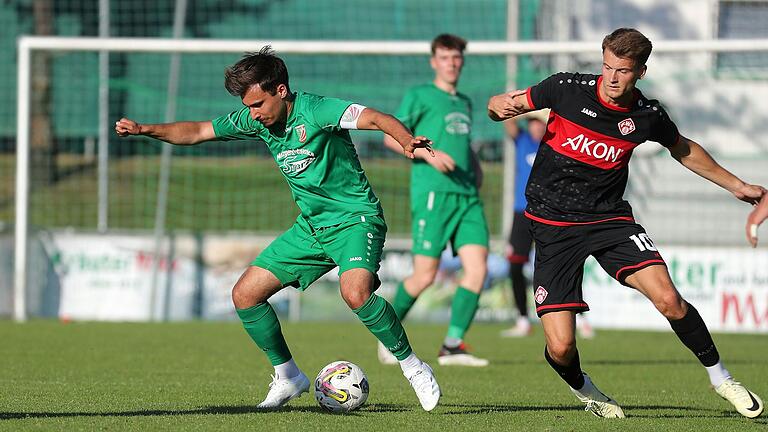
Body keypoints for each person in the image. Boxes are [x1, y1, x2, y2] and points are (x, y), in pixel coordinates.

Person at [115, 47, 441, 411]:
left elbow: (377, 118)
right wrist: (145, 129)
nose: (252, 113)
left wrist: (406, 140)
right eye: (248, 106)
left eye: (257, 104)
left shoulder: (318, 110)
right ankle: (288, 376)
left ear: (280, 91)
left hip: (355, 219)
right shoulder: (256, 121)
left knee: (355, 293)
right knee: (245, 295)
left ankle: (413, 367)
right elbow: (197, 131)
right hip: (311, 228)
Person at [487, 28, 765, 419]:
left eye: (622, 70)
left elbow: (683, 149)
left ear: (641, 73)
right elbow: (505, 105)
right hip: (552, 226)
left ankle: (722, 378)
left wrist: (737, 186)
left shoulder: (647, 115)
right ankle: (586, 389)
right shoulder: (565, 88)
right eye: (607, 66)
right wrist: (498, 106)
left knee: (669, 299)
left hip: (609, 219)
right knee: (562, 346)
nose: (611, 77)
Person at [379, 34, 489, 367]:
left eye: (456, 58)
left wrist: (476, 167)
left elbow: (463, 144)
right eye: (444, 57)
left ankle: (453, 344)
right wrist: (428, 155)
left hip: (468, 197)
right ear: (433, 61)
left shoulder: (465, 102)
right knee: (425, 275)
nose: (451, 63)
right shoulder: (419, 96)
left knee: (478, 269)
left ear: (462, 62)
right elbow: (389, 138)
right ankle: (387, 335)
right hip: (434, 195)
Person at [499, 111, 594, 339]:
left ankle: (579, 318)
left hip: (549, 213)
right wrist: (530, 108)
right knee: (514, 265)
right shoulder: (522, 141)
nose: (535, 127)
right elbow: (507, 120)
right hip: (522, 213)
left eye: (539, 122)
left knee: (561, 264)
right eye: (532, 123)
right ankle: (522, 320)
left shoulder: (556, 145)